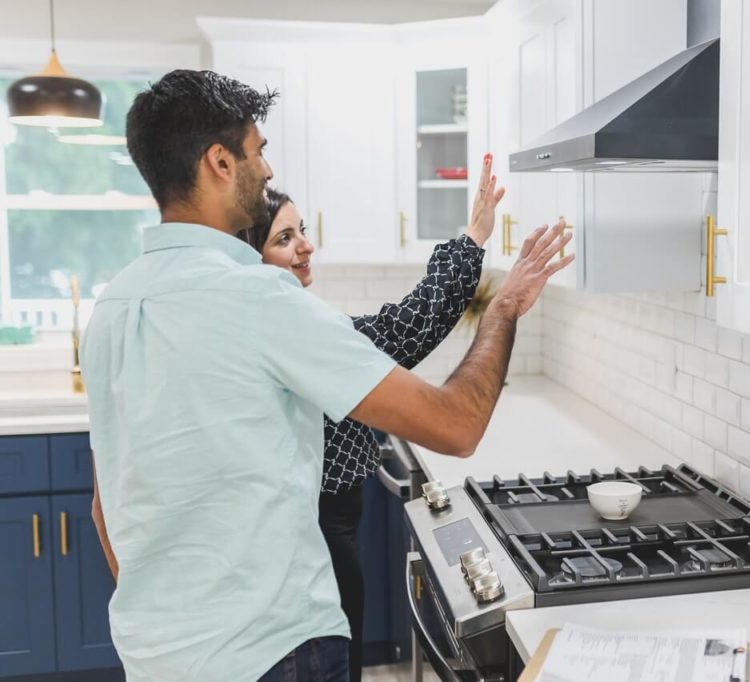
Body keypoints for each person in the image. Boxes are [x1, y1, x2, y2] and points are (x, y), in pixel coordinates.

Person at [82, 68, 571, 682]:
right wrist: (501, 308)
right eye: (257, 151)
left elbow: (106, 506)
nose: (265, 171)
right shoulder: (260, 299)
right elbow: (458, 425)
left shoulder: (110, 307)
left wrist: (175, 625)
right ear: (219, 163)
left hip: (157, 659)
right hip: (274, 652)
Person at [237, 183, 496, 682]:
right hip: (318, 537)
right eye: (284, 238)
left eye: (302, 231)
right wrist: (474, 238)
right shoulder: (291, 331)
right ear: (252, 259)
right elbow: (407, 327)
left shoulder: (276, 324)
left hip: (320, 531)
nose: (305, 245)